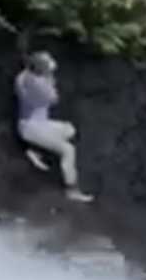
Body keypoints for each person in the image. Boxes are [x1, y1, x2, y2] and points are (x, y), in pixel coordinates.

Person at [15, 50, 93, 203]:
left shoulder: (23, 77)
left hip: (29, 124)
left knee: (69, 129)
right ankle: (71, 189)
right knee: (68, 150)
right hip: (33, 128)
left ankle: (35, 150)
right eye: (48, 63)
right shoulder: (40, 86)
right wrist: (50, 78)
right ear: (42, 69)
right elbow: (54, 99)